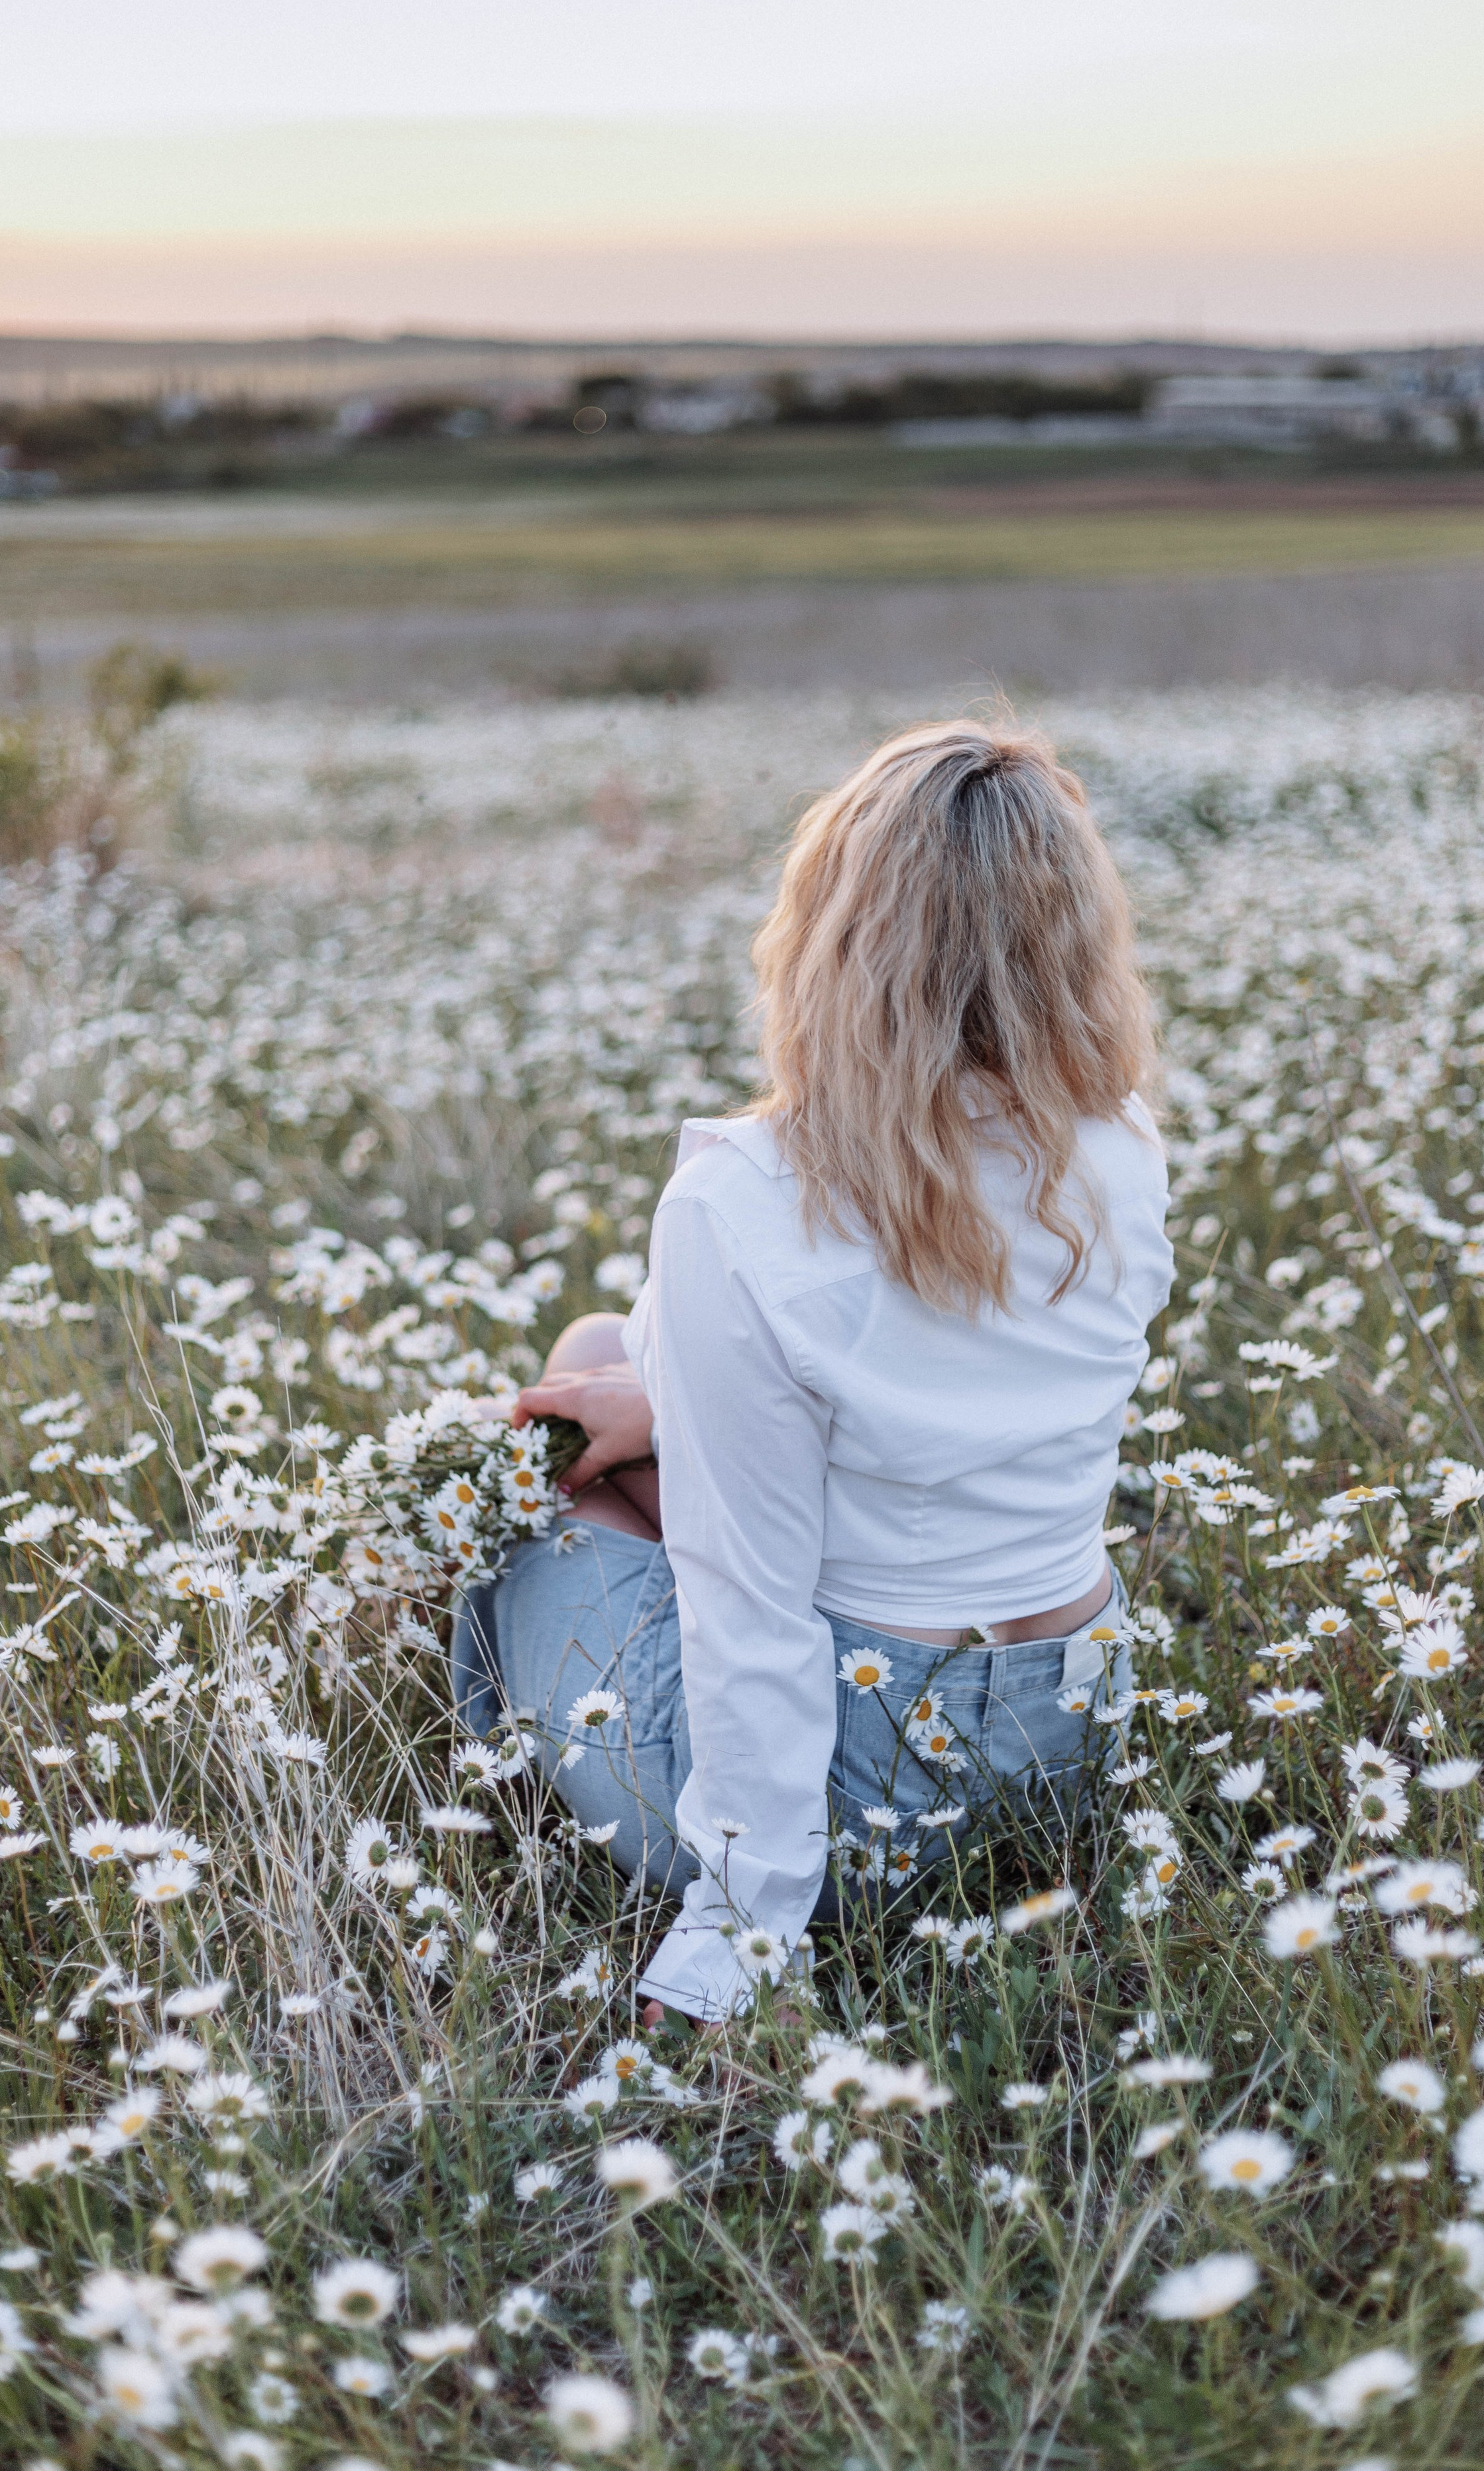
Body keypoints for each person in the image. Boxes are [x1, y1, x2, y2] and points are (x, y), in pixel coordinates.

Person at [453, 718, 1172, 2024]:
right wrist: (666, 1403)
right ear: (1070, 928)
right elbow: (921, 1385)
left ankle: (493, 1781)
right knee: (601, 1361)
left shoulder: (748, 1198)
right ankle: (640, 1420)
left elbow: (750, 1610)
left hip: (871, 1784)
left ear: (833, 936)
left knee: (524, 1490)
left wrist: (741, 1928)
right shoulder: (1115, 1146)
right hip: (1068, 1736)